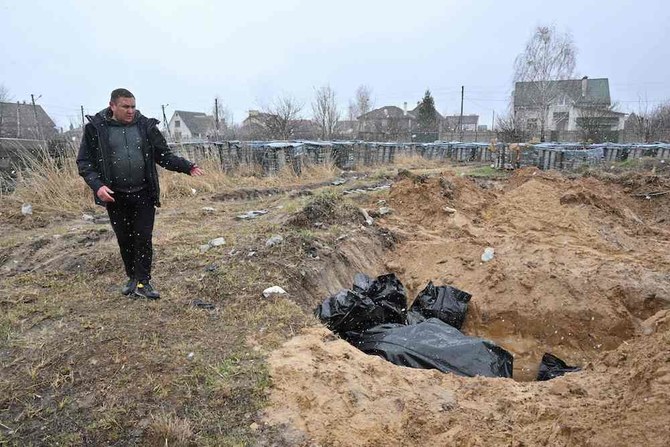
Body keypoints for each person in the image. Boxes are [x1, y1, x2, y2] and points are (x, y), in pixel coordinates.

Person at [77, 88, 204, 299]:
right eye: (125, 107)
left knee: (143, 238)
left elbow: (163, 155)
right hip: (114, 195)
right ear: (113, 106)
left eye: (133, 106)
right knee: (125, 239)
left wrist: (187, 167)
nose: (130, 111)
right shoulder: (96, 129)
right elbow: (84, 162)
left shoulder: (145, 127)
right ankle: (132, 278)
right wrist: (97, 186)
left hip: (143, 193)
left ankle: (144, 282)